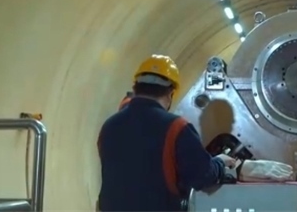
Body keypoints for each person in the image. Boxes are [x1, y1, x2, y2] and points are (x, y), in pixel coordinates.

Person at [97, 54, 237, 212]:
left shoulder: (109, 126)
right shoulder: (177, 128)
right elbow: (202, 176)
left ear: (135, 87)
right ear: (171, 93)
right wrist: (219, 163)